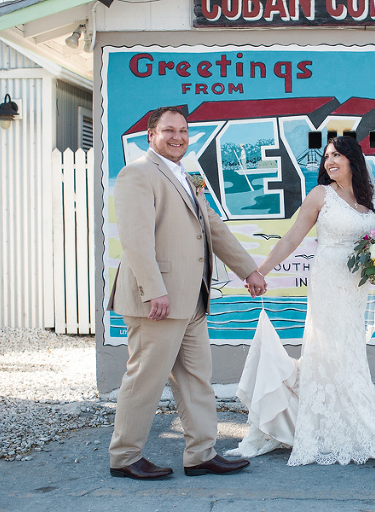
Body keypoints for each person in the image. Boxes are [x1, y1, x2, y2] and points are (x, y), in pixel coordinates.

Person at [228, 136, 375, 465]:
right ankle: (364, 430)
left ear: (352, 161)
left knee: (350, 352)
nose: (330, 161)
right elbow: (291, 237)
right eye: (327, 156)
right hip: (329, 279)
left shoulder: (370, 195)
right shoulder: (321, 195)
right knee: (332, 350)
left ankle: (357, 425)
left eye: (337, 156)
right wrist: (258, 271)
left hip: (356, 283)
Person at [107, 106, 268, 479]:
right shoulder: (137, 174)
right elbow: (135, 240)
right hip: (158, 302)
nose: (177, 136)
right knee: (144, 379)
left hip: (192, 299)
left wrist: (249, 270)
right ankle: (125, 457)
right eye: (168, 130)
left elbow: (213, 227)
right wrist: (154, 291)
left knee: (196, 379)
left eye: (182, 130)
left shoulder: (187, 177)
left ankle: (201, 454)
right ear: (151, 135)